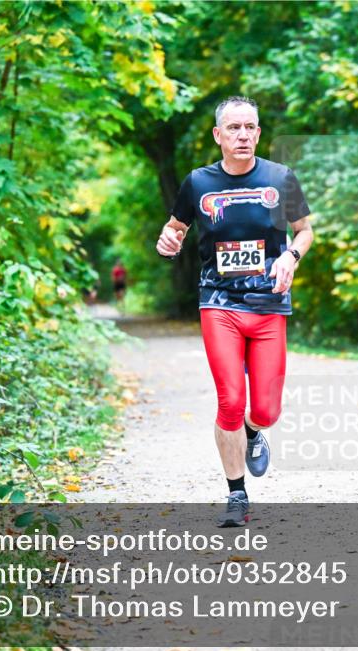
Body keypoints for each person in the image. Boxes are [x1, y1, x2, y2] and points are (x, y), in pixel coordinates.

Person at [154, 96, 313, 527]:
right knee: (229, 399)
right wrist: (167, 242)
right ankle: (236, 494)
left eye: (251, 128)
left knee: (264, 410)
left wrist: (290, 258)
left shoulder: (281, 178)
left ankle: (254, 430)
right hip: (218, 302)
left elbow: (304, 231)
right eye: (235, 128)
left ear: (259, 133)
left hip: (268, 305)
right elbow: (175, 228)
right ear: (218, 135)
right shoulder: (198, 183)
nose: (243, 135)